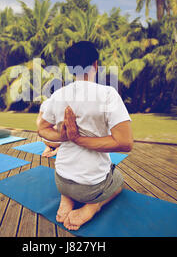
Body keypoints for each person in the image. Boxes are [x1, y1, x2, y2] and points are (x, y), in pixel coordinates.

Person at [37, 41, 133, 231]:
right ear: (95, 64)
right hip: (92, 187)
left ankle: (67, 199)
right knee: (119, 181)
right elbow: (125, 143)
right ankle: (93, 207)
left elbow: (41, 129)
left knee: (71, 184)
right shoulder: (107, 94)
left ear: (70, 68)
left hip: (60, 179)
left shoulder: (58, 95)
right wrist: (75, 138)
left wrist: (64, 137)